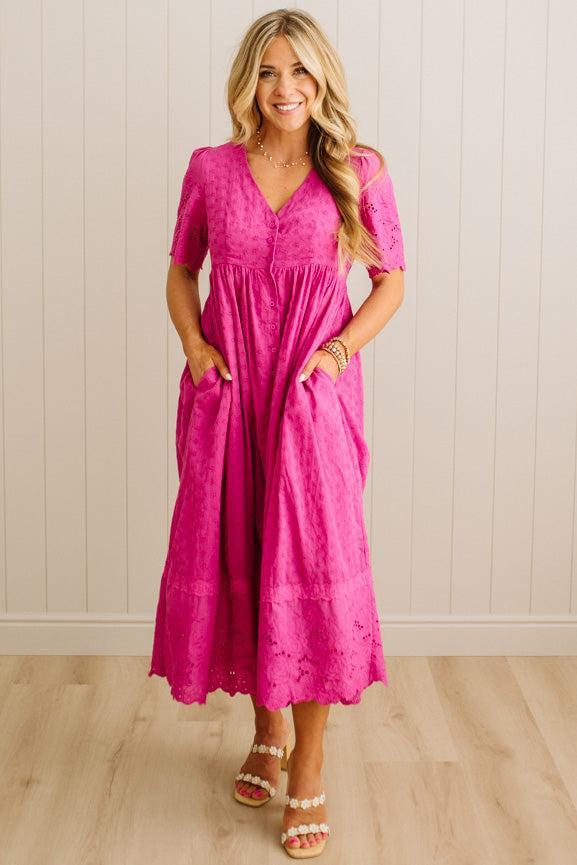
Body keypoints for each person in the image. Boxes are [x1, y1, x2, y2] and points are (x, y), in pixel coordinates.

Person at [148, 8, 406, 859]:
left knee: (307, 560)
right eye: (267, 71)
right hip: (227, 391)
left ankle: (310, 762)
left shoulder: (357, 171)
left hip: (307, 394)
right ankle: (265, 731)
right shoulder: (212, 169)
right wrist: (194, 346)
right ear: (247, 83)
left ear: (322, 76)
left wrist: (334, 353)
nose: (284, 87)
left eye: (298, 70)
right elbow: (183, 271)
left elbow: (390, 283)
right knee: (242, 552)